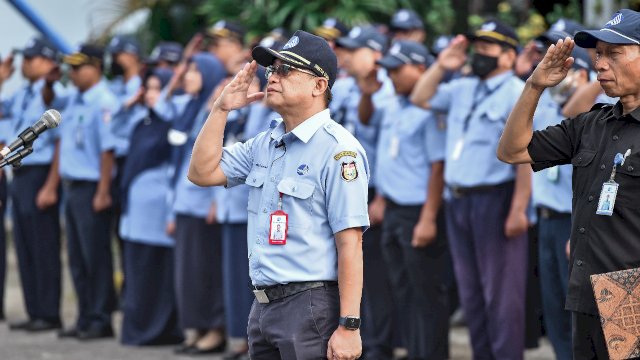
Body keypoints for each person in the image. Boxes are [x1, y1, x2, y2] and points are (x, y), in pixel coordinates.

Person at [188, 30, 369, 360]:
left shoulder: (339, 151)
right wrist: (220, 109)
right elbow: (201, 173)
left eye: (286, 70)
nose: (272, 77)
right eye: (271, 70)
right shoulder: (266, 143)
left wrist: (349, 326)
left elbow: (350, 242)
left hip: (311, 306)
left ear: (319, 85)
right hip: (263, 305)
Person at [496, 8, 640, 359]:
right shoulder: (591, 124)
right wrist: (535, 86)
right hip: (588, 288)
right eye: (599, 54)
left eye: (615, 53)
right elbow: (512, 150)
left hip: (629, 294)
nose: (600, 64)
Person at [410, 20, 530, 359]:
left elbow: (525, 158)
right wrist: (441, 64)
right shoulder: (463, 87)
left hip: (496, 199)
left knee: (502, 296)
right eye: (477, 47)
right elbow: (421, 97)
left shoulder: (517, 92)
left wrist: (519, 208)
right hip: (458, 201)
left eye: (487, 48)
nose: (479, 54)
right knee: (472, 293)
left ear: (508, 56)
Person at [366, 40, 450, 359]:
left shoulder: (430, 110)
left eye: (397, 69)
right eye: (388, 70)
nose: (392, 76)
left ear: (420, 68)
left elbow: (437, 167)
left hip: (419, 211)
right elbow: (392, 157)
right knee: (402, 290)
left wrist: (428, 218)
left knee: (425, 294)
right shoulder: (393, 105)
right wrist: (383, 199)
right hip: (394, 208)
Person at [530, 42, 593, 360]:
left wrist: (591, 82)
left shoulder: (595, 107)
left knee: (577, 311)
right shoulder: (544, 104)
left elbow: (572, 110)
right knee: (553, 304)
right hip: (546, 218)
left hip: (575, 223)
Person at [0, 37, 65, 332]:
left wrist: (51, 184)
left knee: (44, 247)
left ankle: (49, 313)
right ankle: (35, 310)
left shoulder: (54, 94)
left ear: (48, 62)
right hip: (21, 173)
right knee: (25, 247)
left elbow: (61, 142)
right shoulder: (23, 93)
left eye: (31, 58)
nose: (25, 64)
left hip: (42, 175)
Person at [57, 44, 119, 340]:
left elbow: (108, 151)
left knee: (96, 256)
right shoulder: (74, 100)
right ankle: (84, 316)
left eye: (78, 67)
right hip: (72, 188)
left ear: (96, 67)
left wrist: (103, 191)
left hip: (92, 186)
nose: (72, 72)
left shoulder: (104, 101)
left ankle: (100, 318)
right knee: (78, 258)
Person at [117, 68, 182, 346]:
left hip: (158, 215)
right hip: (135, 215)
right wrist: (128, 104)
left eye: (159, 88)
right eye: (149, 88)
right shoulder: (141, 122)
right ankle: (139, 330)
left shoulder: (173, 124)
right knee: (138, 273)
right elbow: (114, 130)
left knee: (157, 274)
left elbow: (177, 169)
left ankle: (161, 331)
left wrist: (171, 212)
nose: (152, 94)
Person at [170, 52, 226, 355]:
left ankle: (215, 329)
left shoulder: (215, 111)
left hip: (205, 204)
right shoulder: (192, 108)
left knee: (207, 271)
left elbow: (222, 157)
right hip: (185, 202)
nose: (188, 76)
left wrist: (218, 201)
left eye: (194, 71)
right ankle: (198, 327)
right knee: (189, 274)